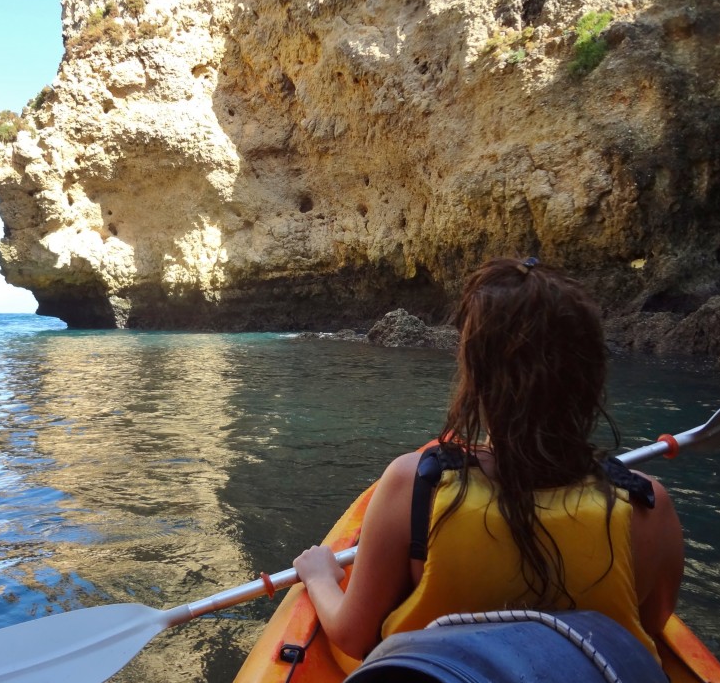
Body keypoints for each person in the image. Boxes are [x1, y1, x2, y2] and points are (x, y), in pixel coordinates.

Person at [293, 257, 684, 662]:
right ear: (591, 375)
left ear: (475, 376)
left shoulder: (414, 486)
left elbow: (354, 637)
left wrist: (320, 575)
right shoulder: (649, 504)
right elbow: (648, 629)